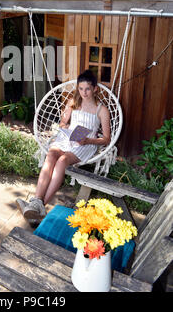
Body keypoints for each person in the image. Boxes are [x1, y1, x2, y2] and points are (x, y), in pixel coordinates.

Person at [16, 69, 111, 224]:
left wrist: (87, 141)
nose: (84, 93)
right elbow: (63, 123)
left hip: (85, 144)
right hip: (68, 139)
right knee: (51, 155)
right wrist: (65, 129)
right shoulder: (73, 103)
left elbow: (106, 139)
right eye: (81, 89)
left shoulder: (101, 110)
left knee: (62, 161)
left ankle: (38, 206)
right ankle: (37, 203)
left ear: (95, 89)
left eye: (87, 89)